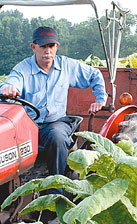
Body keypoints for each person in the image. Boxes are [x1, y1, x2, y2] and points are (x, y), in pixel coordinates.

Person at [0, 26, 108, 186]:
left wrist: (100, 99)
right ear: (33, 47)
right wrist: (9, 89)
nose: (47, 51)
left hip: (55, 123)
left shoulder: (66, 66)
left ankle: (57, 190)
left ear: (56, 47)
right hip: (29, 125)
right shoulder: (23, 68)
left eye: (51, 46)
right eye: (43, 46)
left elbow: (94, 75)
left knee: (57, 137)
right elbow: (11, 82)